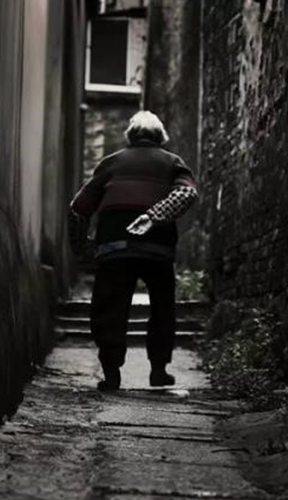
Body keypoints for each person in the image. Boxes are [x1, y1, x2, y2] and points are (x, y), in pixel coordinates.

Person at [68, 111, 198, 391]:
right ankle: (159, 370)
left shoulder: (111, 162)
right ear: (160, 136)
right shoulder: (173, 162)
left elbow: (79, 208)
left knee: (110, 308)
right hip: (157, 247)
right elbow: (187, 193)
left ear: (130, 136)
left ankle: (111, 373)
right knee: (162, 308)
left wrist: (81, 248)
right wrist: (154, 216)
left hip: (114, 246)